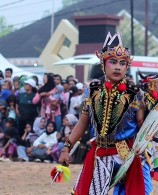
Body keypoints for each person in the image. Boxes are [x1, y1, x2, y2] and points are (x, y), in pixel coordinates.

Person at [59, 32, 147, 195]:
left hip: (126, 154)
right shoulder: (92, 91)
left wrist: (145, 144)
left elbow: (143, 125)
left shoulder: (136, 93)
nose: (118, 67)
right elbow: (82, 123)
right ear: (103, 64)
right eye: (113, 62)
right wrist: (66, 148)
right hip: (101, 152)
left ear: (127, 67)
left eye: (122, 63)